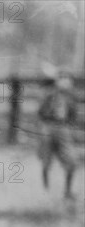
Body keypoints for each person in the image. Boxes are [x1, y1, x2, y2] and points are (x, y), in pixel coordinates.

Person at [37, 69, 79, 199]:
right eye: (62, 78)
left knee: (72, 161)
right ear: (58, 81)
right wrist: (44, 127)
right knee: (46, 161)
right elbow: (41, 113)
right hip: (49, 127)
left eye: (68, 79)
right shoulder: (49, 94)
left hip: (63, 129)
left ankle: (67, 191)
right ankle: (45, 190)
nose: (66, 82)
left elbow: (73, 116)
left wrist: (68, 129)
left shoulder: (71, 97)